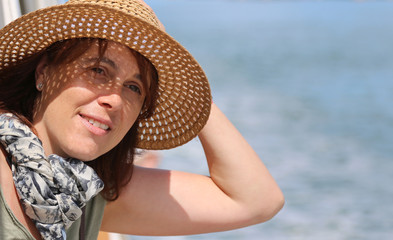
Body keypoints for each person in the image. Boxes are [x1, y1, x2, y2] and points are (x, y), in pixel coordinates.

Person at [0, 0, 284, 239]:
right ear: (43, 72)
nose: (115, 99)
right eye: (98, 71)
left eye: (134, 88)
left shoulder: (84, 192)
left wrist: (190, 89)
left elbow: (255, 201)